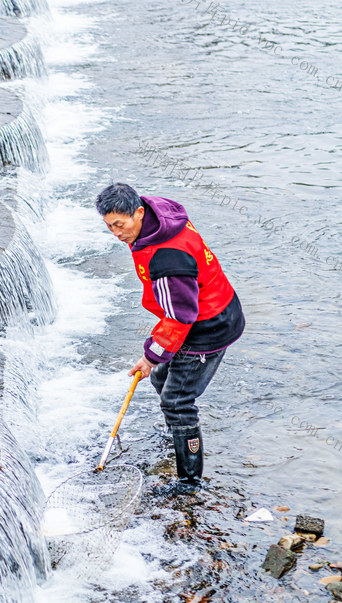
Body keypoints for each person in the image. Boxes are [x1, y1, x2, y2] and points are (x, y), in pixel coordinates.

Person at [96, 183, 244, 494]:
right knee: (162, 378)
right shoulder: (160, 215)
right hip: (213, 305)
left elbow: (181, 317)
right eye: (109, 226)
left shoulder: (167, 259)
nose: (116, 234)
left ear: (139, 212)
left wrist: (150, 355)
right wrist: (155, 359)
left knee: (177, 401)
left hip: (208, 326)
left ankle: (189, 482)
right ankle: (176, 434)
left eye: (119, 225)